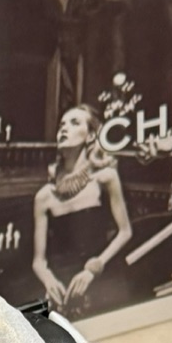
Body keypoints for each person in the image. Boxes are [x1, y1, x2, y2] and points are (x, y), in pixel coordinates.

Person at [30, 104, 132, 312]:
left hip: (103, 283)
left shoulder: (106, 179)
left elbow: (125, 232)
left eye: (74, 123)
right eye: (62, 125)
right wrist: (49, 280)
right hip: (64, 291)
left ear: (91, 136)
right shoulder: (44, 196)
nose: (64, 129)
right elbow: (38, 261)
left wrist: (94, 269)